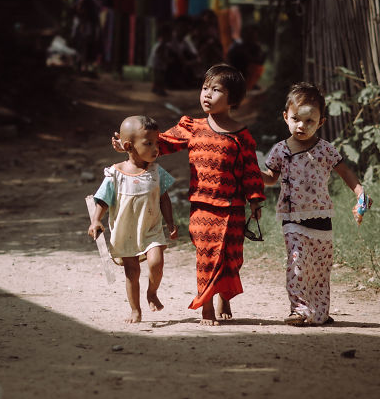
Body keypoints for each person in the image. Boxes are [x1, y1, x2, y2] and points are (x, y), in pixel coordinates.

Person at [112, 64, 265, 325]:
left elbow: (250, 170)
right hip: (203, 207)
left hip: (233, 207)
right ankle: (205, 306)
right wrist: (130, 147)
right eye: (205, 88)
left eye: (216, 90)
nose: (206, 94)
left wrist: (255, 200)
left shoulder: (242, 137)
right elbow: (158, 143)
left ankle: (223, 297)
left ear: (233, 99)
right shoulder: (192, 128)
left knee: (231, 258)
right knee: (206, 257)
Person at [261, 82, 369, 327]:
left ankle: (319, 313)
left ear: (321, 122)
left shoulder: (325, 150)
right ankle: (299, 310)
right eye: (296, 118)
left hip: (321, 217)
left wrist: (360, 192)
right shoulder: (280, 151)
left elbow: (345, 173)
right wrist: (249, 173)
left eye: (310, 121)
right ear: (285, 117)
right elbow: (269, 179)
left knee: (320, 269)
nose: (301, 125)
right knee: (297, 262)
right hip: (292, 218)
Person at [89, 115, 179, 324]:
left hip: (151, 229)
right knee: (132, 272)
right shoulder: (114, 174)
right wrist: (95, 221)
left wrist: (170, 223)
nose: (156, 148)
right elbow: (102, 200)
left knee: (156, 262)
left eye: (157, 142)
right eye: (149, 143)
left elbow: (164, 199)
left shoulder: (157, 171)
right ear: (129, 145)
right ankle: (135, 310)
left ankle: (152, 292)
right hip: (125, 232)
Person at [225, 25, 266, 91]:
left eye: (254, 35)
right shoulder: (237, 45)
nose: (253, 36)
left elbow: (259, 61)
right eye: (250, 34)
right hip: (235, 71)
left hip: (247, 72)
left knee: (257, 68)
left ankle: (250, 85)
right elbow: (229, 58)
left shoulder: (256, 47)